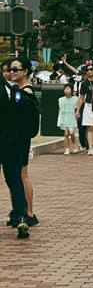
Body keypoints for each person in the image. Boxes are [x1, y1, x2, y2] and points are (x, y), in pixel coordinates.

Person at [8, 57, 40, 227]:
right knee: (17, 175)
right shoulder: (20, 89)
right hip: (19, 137)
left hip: (21, 138)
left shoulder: (25, 92)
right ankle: (19, 211)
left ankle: (28, 212)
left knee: (22, 175)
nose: (12, 72)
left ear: (25, 71)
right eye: (10, 69)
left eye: (15, 69)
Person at [57, 83, 80, 154]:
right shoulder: (61, 99)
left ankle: (74, 145)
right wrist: (59, 118)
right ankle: (67, 148)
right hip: (64, 117)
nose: (66, 91)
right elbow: (60, 109)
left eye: (68, 89)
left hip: (71, 117)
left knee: (71, 132)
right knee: (66, 134)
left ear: (71, 90)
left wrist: (77, 113)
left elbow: (77, 108)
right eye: (65, 89)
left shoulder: (75, 99)